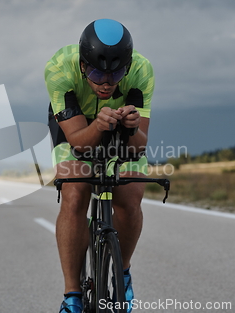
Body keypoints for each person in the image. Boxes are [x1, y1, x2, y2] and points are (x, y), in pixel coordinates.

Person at [45, 18, 154, 313]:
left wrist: (130, 128)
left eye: (115, 74)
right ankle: (72, 296)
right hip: (76, 128)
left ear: (128, 67)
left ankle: (123, 272)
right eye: (95, 73)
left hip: (119, 129)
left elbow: (138, 147)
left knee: (131, 197)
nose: (105, 83)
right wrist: (99, 125)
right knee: (75, 193)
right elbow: (79, 143)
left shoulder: (142, 70)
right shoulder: (59, 68)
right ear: (82, 65)